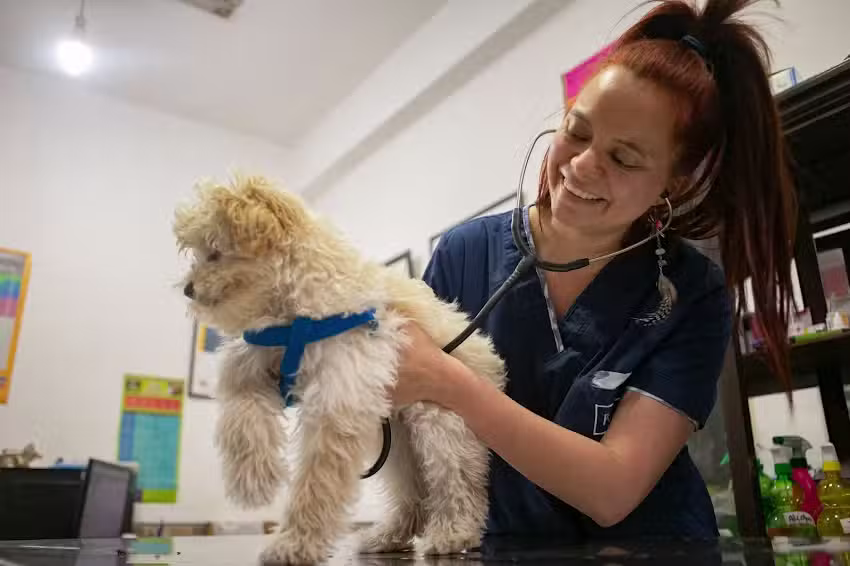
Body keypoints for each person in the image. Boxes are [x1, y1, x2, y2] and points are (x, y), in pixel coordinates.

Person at [392, 0, 797, 541]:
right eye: (577, 132)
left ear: (672, 183)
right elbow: (410, 423)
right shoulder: (464, 254)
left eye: (625, 158)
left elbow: (612, 490)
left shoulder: (693, 294)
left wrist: (452, 384)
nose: (581, 166)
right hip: (501, 549)